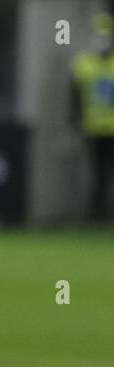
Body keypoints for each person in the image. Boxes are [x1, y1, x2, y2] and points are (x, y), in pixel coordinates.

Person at [70, 12, 114, 221]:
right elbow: (75, 95)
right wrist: (75, 121)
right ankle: (97, 213)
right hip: (93, 127)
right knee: (97, 173)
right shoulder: (83, 62)